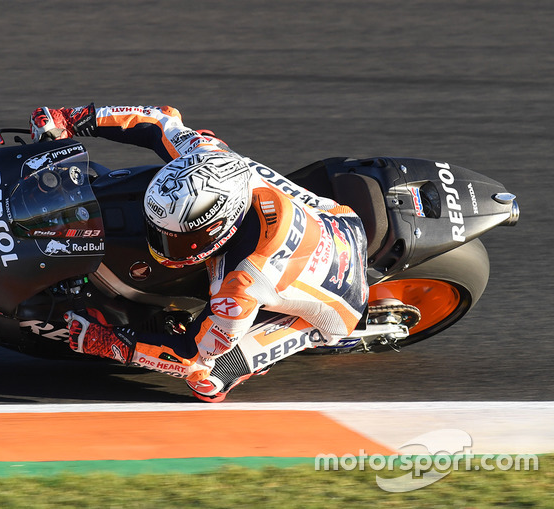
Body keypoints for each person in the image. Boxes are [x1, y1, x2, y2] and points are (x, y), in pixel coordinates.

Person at [29, 104, 369, 402]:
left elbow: (193, 356)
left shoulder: (242, 285)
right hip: (335, 216)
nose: (160, 244)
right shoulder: (208, 157)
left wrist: (109, 342)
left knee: (206, 381)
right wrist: (74, 119)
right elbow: (160, 121)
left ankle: (282, 349)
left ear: (223, 226)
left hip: (339, 301)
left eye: (175, 239)